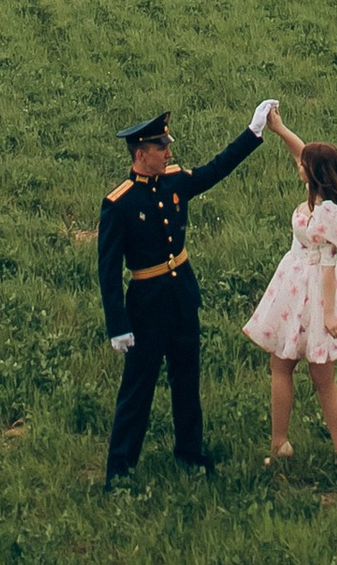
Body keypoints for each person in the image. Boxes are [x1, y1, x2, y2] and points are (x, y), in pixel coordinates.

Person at [98, 96, 277, 488]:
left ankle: (190, 454)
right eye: (161, 147)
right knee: (138, 389)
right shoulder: (119, 204)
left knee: (186, 380)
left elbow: (215, 170)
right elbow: (108, 272)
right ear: (141, 152)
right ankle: (120, 468)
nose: (168, 151)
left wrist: (253, 132)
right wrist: (118, 325)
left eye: (168, 145)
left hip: (182, 299)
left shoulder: (176, 181)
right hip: (146, 308)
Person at [243, 106, 337, 467]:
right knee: (287, 366)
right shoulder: (323, 193)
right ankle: (286, 443)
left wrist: (331, 314)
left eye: (305, 166)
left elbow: (327, 265)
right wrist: (280, 128)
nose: (298, 167)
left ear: (315, 174)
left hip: (314, 291)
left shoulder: (329, 214)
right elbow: (302, 151)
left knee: (313, 374)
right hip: (296, 284)